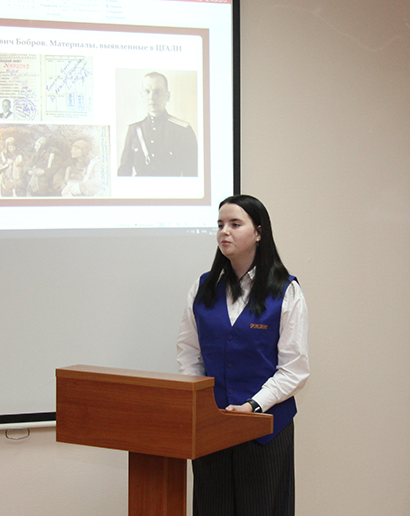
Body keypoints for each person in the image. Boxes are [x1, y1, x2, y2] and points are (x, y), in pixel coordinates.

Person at [177, 194, 309, 516]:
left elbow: (294, 369)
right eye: (220, 224)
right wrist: (200, 406)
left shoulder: (286, 290)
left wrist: (253, 406)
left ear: (259, 232)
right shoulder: (202, 288)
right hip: (212, 429)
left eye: (235, 224)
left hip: (265, 430)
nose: (224, 231)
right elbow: (189, 354)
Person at [117, 72, 198, 177]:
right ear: (142, 96)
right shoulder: (134, 130)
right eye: (147, 91)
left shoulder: (183, 131)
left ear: (167, 96)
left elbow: (192, 174)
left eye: (157, 91)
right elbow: (124, 172)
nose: (152, 97)